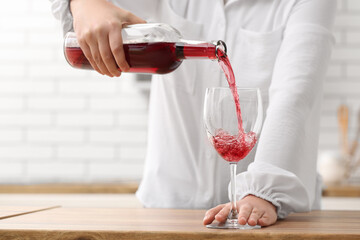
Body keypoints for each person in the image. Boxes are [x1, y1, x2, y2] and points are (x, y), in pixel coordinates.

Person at [50, 0, 336, 227]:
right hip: (167, 209)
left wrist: (263, 192)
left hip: (270, 215)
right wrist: (83, 3)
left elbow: (295, 94)